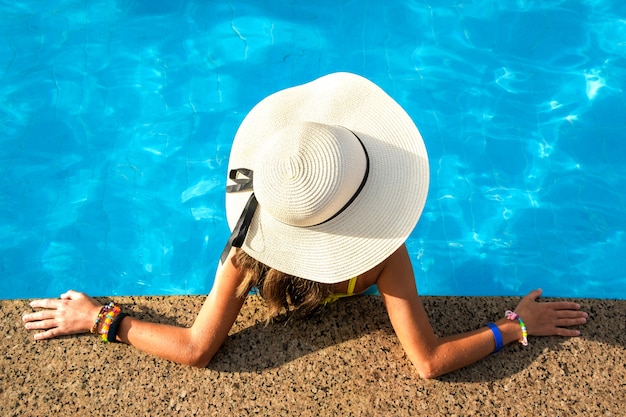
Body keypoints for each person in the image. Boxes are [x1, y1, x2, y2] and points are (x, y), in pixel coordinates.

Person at [22, 73, 587, 379]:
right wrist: (514, 325)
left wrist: (99, 318)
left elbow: (197, 348)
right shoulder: (383, 255)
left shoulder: (245, 253)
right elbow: (429, 362)